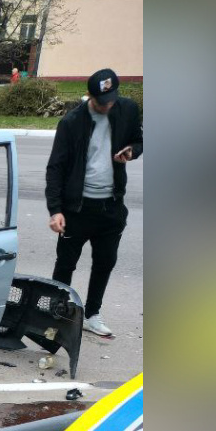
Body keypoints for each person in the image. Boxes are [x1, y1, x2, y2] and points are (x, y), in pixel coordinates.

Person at [45, 68, 143, 337]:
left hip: (111, 207)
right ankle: (58, 314)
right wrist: (55, 210)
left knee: (105, 262)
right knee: (65, 263)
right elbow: (55, 168)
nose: (108, 106)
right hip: (77, 209)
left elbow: (139, 138)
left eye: (112, 99)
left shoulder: (127, 110)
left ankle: (92, 314)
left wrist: (132, 151)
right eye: (102, 102)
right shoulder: (72, 122)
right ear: (90, 96)